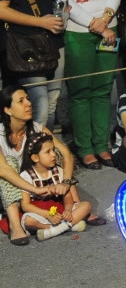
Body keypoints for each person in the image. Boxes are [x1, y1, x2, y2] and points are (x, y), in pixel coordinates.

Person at [48, 0, 120, 169]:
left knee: (103, 90)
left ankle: (102, 145)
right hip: (80, 33)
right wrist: (97, 26)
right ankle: (85, 148)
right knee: (80, 92)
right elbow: (65, 2)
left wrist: (107, 18)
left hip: (109, 29)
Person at [0, 86, 76, 246]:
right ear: (8, 110)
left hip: (34, 188)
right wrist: (34, 189)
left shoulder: (36, 128)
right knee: (9, 163)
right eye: (21, 101)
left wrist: (66, 182)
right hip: (11, 192)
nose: (28, 103)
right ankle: (15, 225)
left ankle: (74, 205)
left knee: (54, 153)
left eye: (27, 98)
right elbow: (3, 170)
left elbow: (66, 154)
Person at [19, 131, 93, 240]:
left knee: (86, 205)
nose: (53, 154)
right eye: (48, 152)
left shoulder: (58, 170)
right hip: (40, 211)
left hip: (59, 208)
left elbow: (67, 196)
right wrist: (47, 214)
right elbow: (25, 205)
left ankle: (53, 231)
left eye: (53, 150)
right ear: (35, 158)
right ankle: (69, 226)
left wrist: (68, 210)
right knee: (28, 220)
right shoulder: (26, 176)